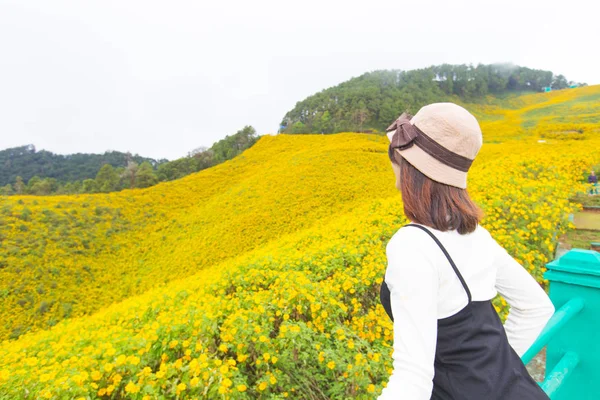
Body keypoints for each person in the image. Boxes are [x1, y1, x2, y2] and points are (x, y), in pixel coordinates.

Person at [377, 103, 555, 400]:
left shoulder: (411, 246)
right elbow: (537, 307)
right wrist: (490, 374)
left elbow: (412, 381)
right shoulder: (475, 235)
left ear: (408, 167)